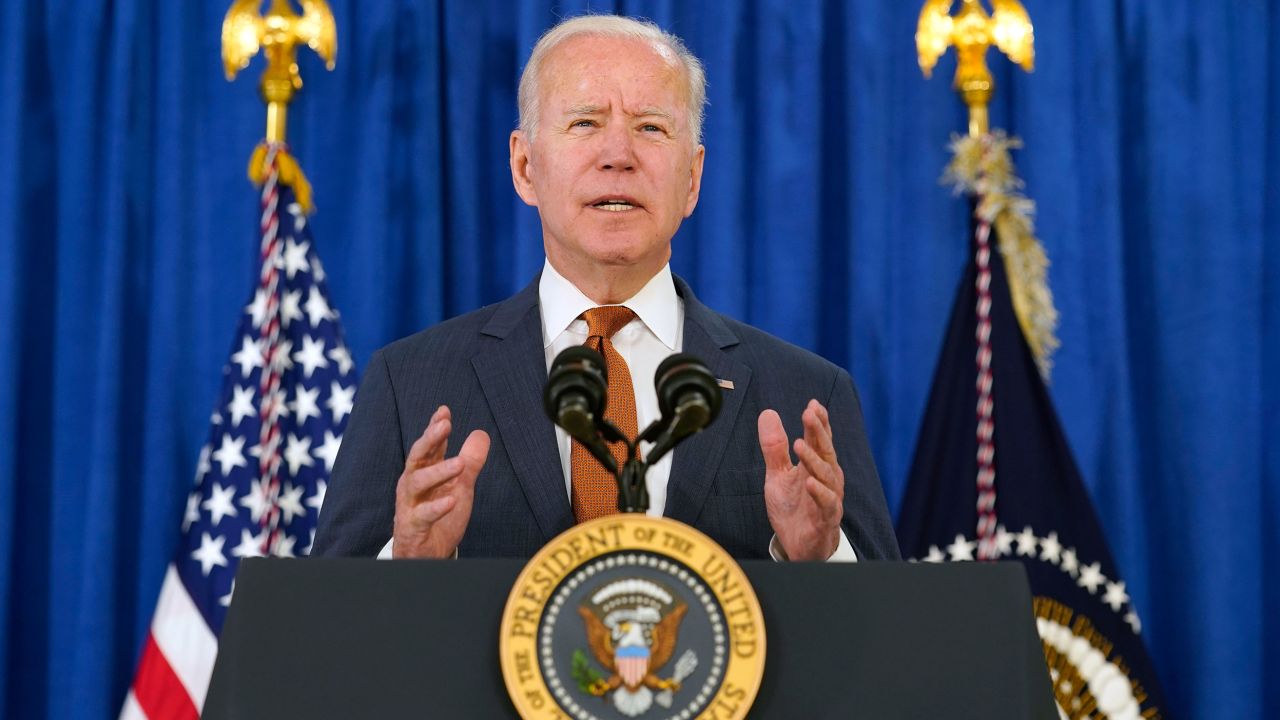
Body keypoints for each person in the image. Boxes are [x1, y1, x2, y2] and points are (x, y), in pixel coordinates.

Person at [312, 15, 899, 562]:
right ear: (524, 168)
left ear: (692, 179)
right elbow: (329, 641)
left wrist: (818, 559)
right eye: (585, 123)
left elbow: (887, 639)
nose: (618, 156)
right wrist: (407, 565)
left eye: (650, 127)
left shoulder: (807, 395)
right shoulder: (409, 384)